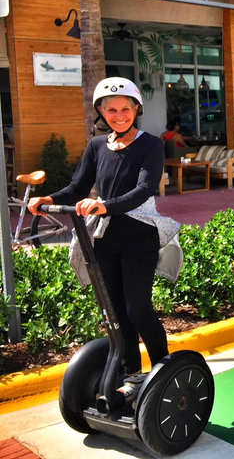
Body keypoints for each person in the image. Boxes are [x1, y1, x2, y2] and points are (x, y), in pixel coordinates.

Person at [28, 77, 181, 376]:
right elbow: (77, 187)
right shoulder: (97, 145)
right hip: (105, 238)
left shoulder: (150, 145)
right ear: (101, 111)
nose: (119, 115)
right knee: (116, 313)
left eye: (126, 108)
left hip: (140, 235)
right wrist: (48, 197)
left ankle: (164, 371)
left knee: (138, 309)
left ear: (137, 109)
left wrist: (105, 205)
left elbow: (145, 188)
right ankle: (130, 374)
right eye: (111, 110)